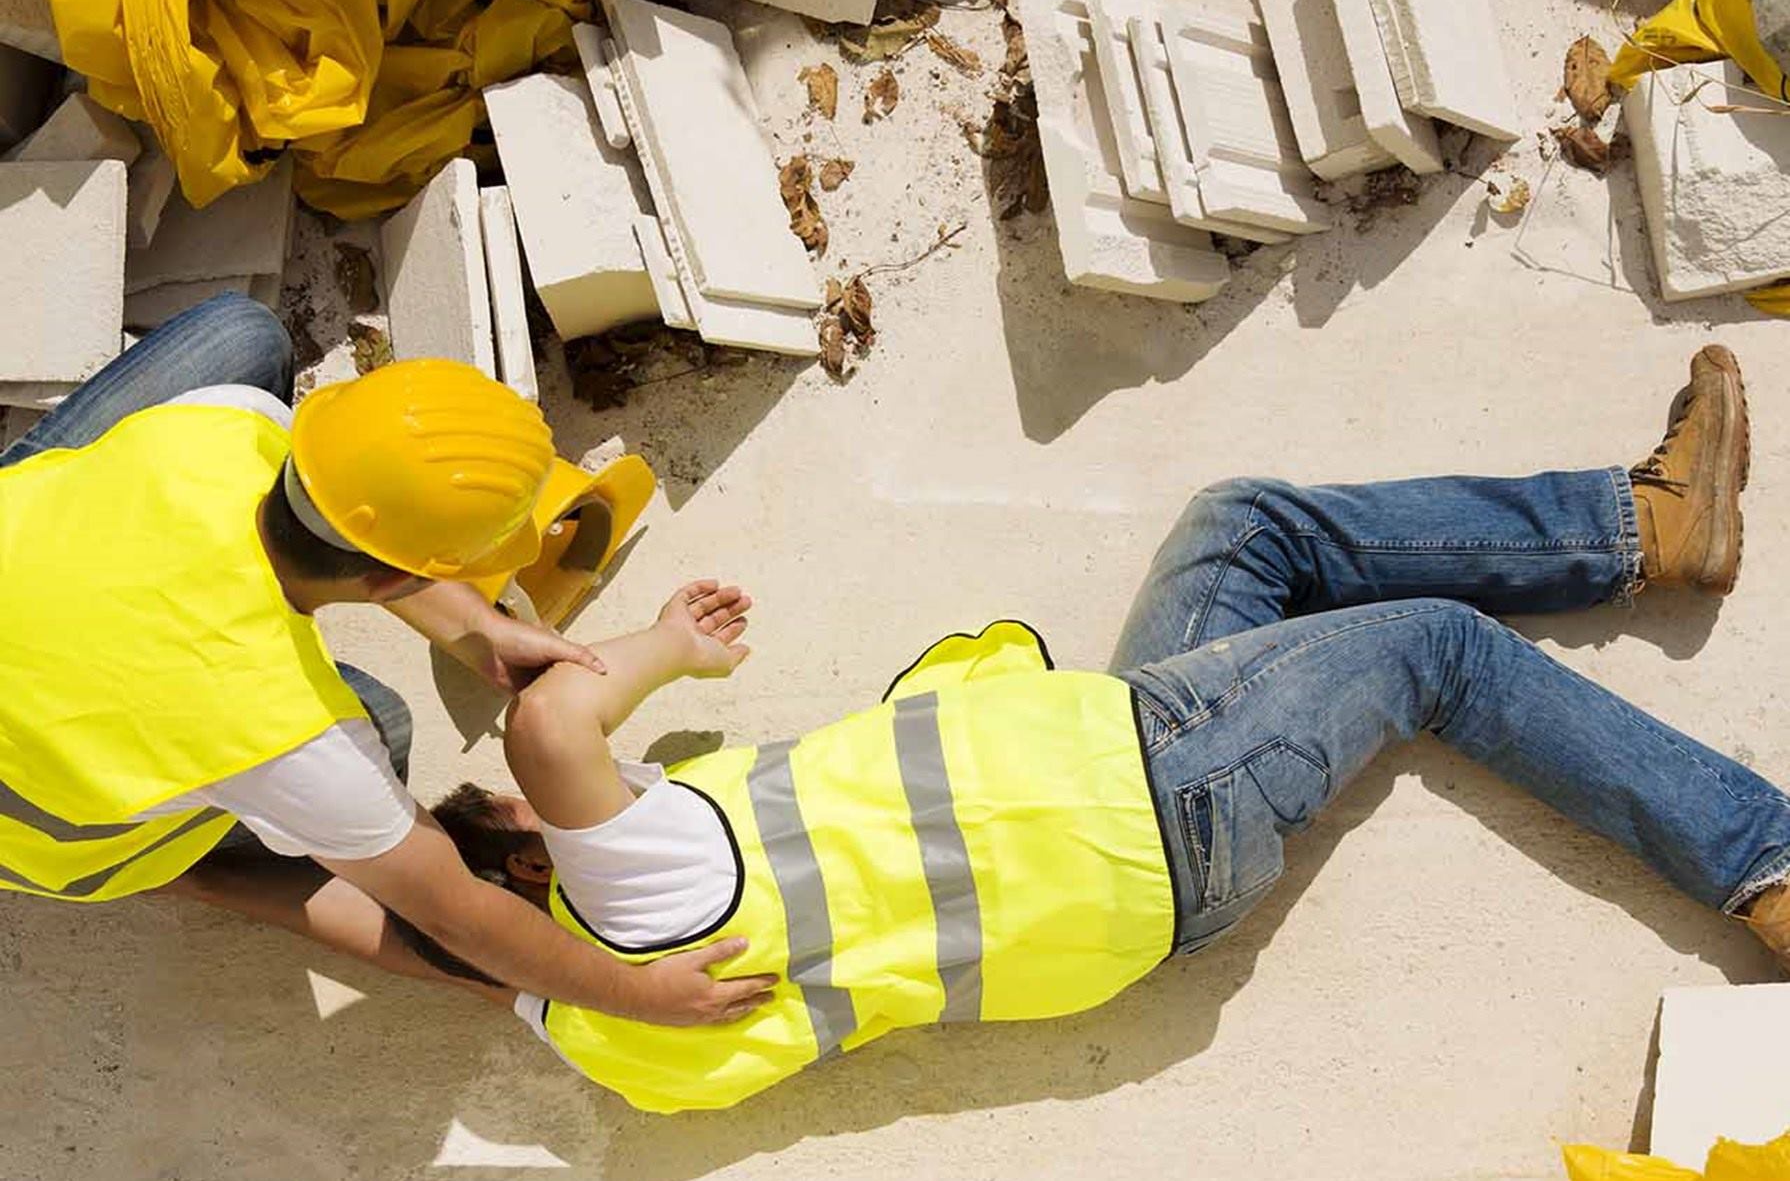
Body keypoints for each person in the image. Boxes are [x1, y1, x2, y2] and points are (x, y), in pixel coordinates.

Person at [430, 345, 1790, 1113]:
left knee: (1239, 528)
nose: (553, 797)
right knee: (1432, 646)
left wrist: (406, 897)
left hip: (1126, 861)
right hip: (1148, 791)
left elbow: (449, 949)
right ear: (538, 867)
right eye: (526, 818)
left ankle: (1649, 527)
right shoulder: (642, 886)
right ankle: (1760, 862)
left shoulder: (596, 1034)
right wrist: (667, 643)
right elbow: (551, 719)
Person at [0, 292, 772, 1028]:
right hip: (33, 828)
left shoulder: (221, 427)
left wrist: (475, 627)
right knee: (386, 728)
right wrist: (642, 998)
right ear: (400, 577)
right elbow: (457, 915)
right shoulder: (290, 739)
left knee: (242, 337)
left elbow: (339, 524)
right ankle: (164, 863)